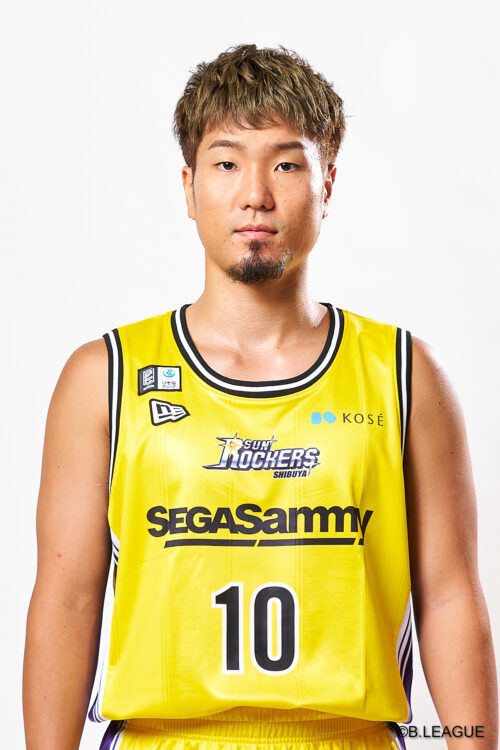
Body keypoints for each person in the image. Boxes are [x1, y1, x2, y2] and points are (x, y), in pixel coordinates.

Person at [23, 43, 498, 750]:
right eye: (225, 163)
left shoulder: (404, 373)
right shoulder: (106, 376)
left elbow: (451, 595)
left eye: (285, 164)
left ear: (327, 184)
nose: (255, 194)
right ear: (188, 188)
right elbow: (66, 599)